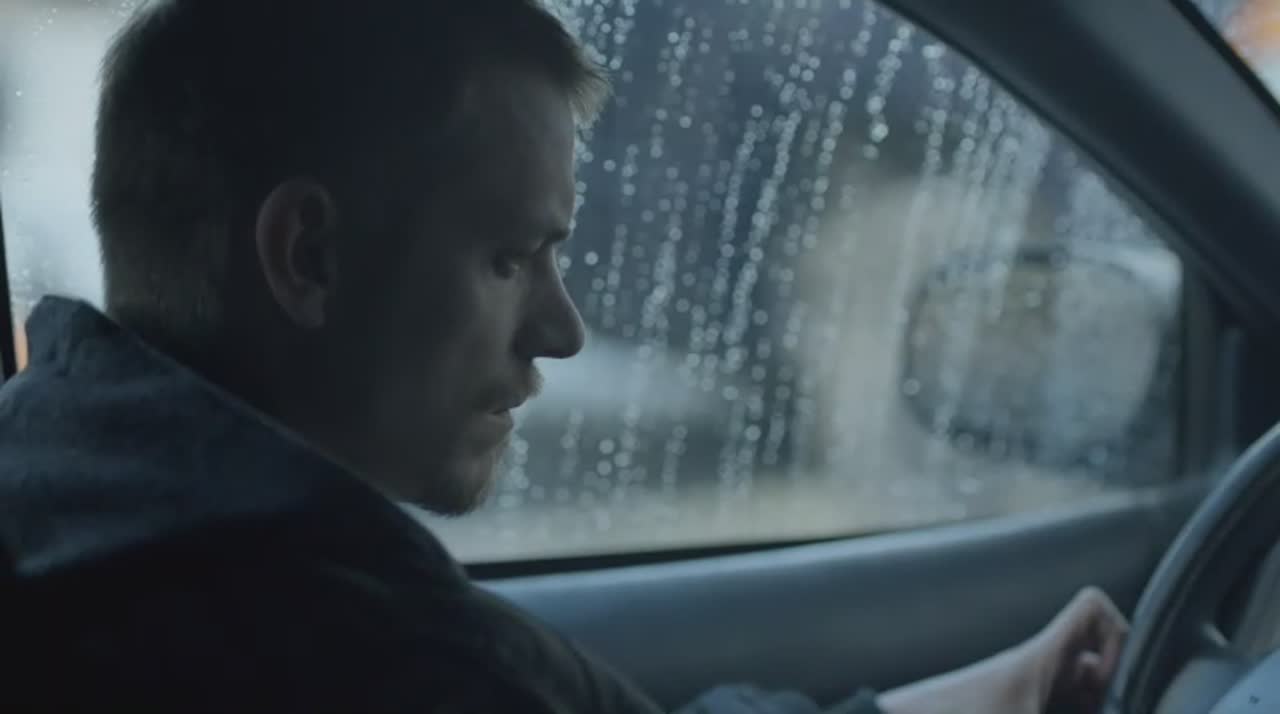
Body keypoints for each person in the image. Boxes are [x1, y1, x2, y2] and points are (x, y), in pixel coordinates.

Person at [0, 0, 1128, 711]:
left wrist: (1001, 690)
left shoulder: (67, 509)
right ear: (309, 255)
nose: (562, 330)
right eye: (510, 257)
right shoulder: (379, 656)